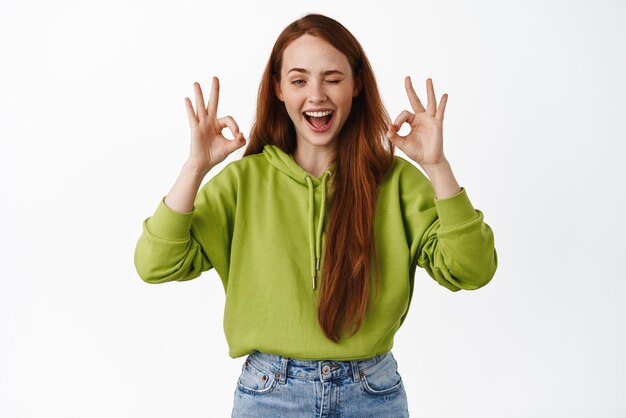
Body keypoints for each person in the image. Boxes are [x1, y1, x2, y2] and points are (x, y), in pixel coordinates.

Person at [134, 13, 497, 418]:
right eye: (299, 80)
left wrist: (437, 166)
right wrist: (195, 168)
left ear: (357, 84)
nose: (317, 95)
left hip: (372, 393)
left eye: (333, 78)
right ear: (279, 89)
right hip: (269, 394)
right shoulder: (242, 182)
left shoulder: (396, 183)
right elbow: (155, 264)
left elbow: (473, 270)